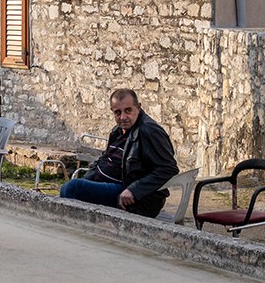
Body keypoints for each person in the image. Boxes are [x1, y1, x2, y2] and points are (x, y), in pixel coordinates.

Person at [60, 89, 178, 218]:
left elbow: (168, 168)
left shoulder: (149, 131)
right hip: (112, 188)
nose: (123, 117)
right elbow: (105, 158)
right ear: (112, 111)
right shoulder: (119, 130)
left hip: (135, 198)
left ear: (138, 108)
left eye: (128, 110)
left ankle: (69, 232)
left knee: (72, 188)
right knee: (74, 187)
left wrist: (134, 190)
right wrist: (89, 178)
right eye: (118, 112)